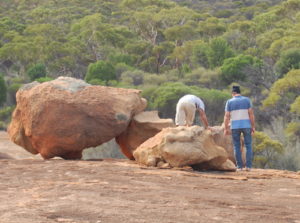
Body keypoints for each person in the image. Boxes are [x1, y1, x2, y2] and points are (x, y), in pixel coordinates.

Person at [223, 86, 255, 171]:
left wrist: (226, 128)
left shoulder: (229, 102)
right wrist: (253, 126)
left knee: (236, 146)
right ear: (239, 92)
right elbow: (251, 114)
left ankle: (239, 167)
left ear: (233, 93)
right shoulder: (247, 100)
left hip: (235, 127)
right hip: (246, 126)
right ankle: (248, 167)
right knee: (248, 146)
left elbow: (226, 116)